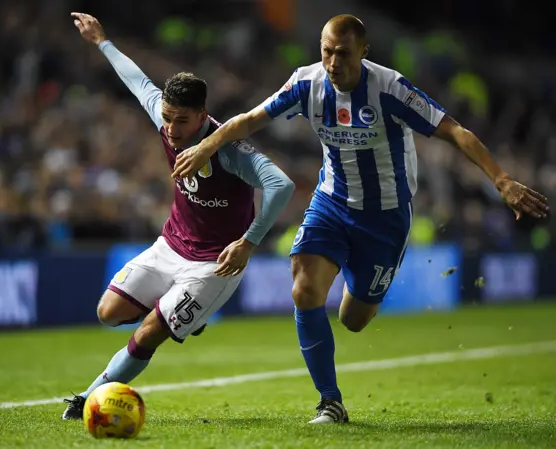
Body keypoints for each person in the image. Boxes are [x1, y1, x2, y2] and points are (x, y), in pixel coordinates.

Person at [171, 14, 549, 424]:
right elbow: (250, 119)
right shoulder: (307, 82)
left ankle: (366, 283)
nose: (333, 63)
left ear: (364, 52)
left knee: (353, 320)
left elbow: (455, 131)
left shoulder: (390, 88)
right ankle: (329, 401)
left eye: (343, 54)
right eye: (327, 52)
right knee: (304, 288)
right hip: (332, 201)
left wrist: (503, 180)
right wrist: (208, 145)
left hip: (386, 217)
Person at [62, 13, 295, 420]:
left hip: (214, 264)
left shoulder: (230, 149)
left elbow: (282, 186)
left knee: (149, 331)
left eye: (181, 120)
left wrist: (250, 241)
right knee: (108, 313)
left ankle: (88, 398)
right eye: (167, 116)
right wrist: (102, 41)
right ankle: (185, 313)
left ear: (203, 115)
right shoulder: (165, 119)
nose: (170, 127)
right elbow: (136, 82)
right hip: (171, 244)